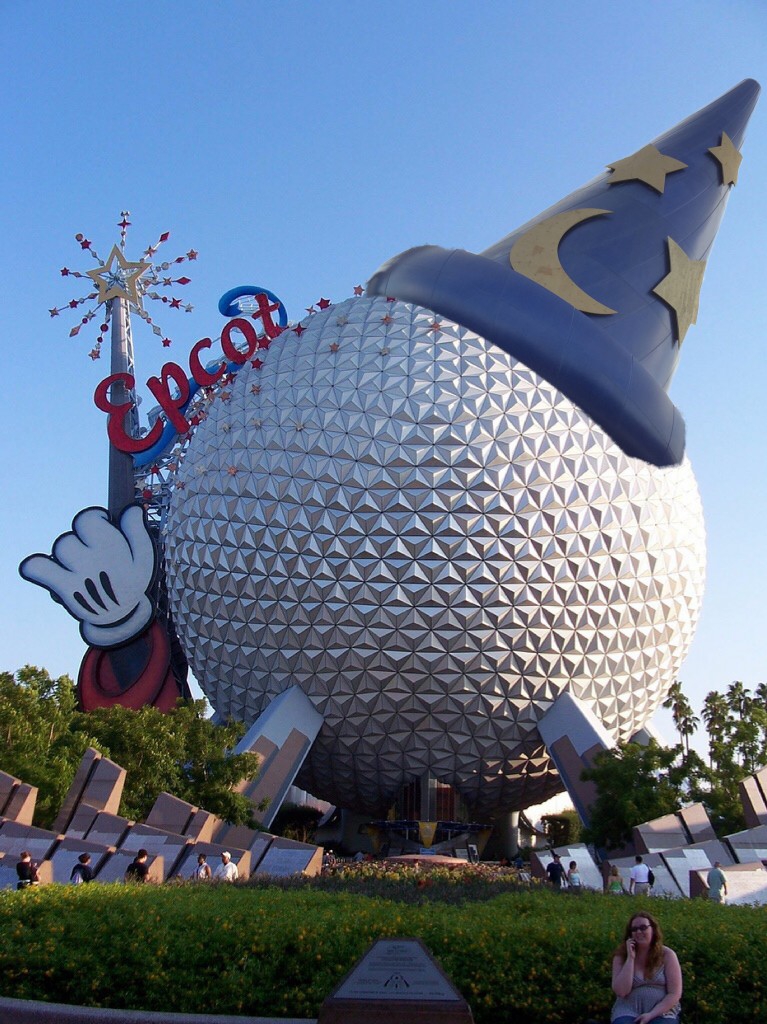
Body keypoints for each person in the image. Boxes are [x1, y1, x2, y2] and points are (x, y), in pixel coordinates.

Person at [611, 911, 682, 1024]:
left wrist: (651, 1015)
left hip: (662, 1012)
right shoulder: (621, 957)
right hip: (627, 1010)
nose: (639, 932)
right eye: (634, 929)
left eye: (643, 927)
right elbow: (621, 992)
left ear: (653, 930)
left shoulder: (667, 955)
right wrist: (630, 958)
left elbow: (674, 994)